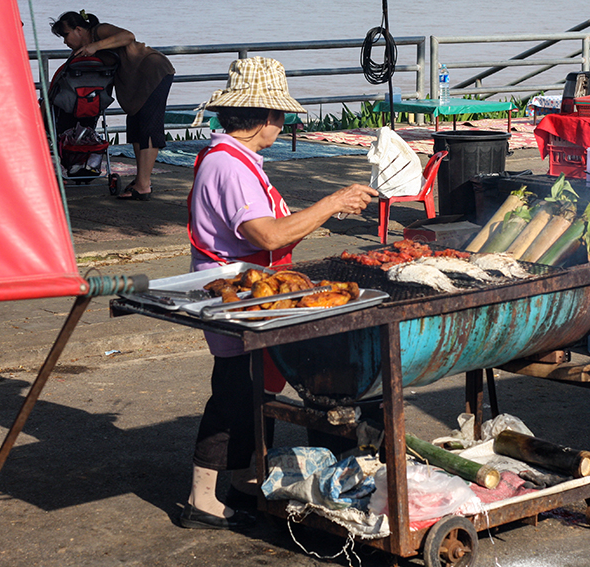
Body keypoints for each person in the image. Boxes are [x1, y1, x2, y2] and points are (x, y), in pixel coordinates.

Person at [181, 56, 377, 530]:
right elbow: (266, 236)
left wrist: (320, 217)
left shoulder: (236, 158)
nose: (281, 123)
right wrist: (330, 203)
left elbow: (276, 232)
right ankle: (200, 499)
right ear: (268, 118)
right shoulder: (231, 167)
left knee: (255, 387)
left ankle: (247, 482)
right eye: (280, 116)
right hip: (239, 295)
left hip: (258, 293)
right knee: (234, 392)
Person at [51, 11, 174, 200]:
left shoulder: (99, 31)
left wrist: (95, 46)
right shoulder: (86, 48)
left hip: (153, 72)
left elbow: (128, 36)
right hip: (137, 81)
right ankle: (142, 180)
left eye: (66, 35)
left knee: (148, 127)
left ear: (78, 30)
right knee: (134, 127)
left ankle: (143, 185)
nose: (65, 41)